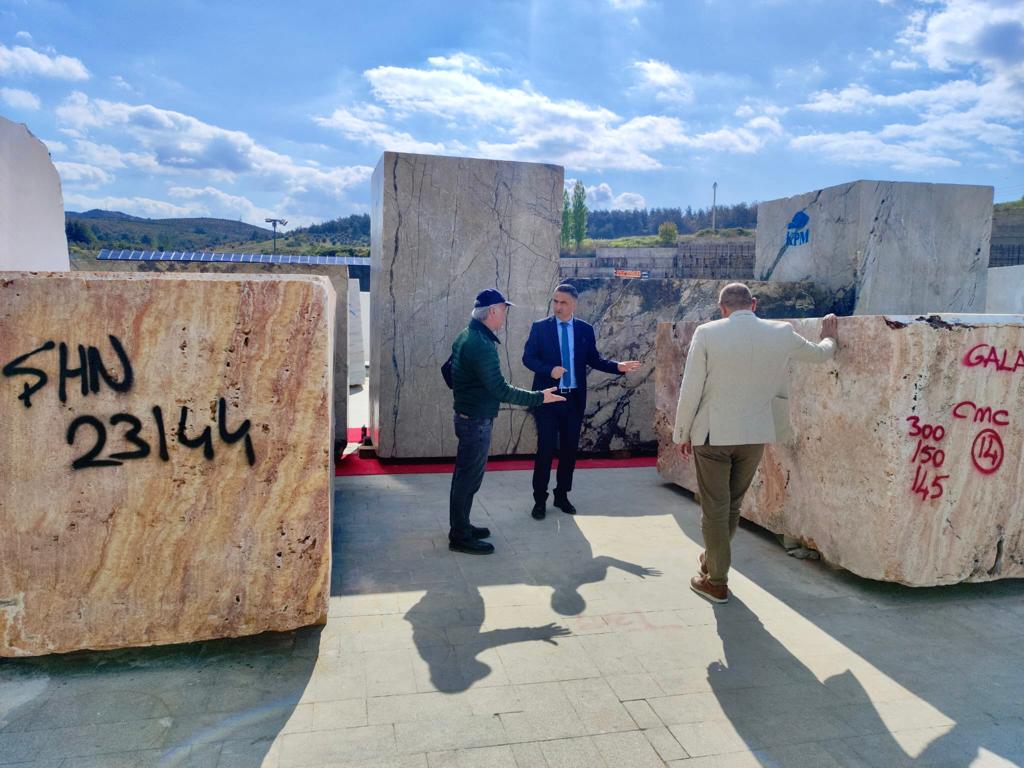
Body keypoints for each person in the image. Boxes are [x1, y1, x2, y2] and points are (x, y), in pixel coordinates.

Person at [673, 282, 838, 603]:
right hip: (754, 434)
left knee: (715, 509)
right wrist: (830, 335)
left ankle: (716, 580)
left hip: (712, 434)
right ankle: (711, 561)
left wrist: (681, 433)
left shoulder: (707, 333)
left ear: (722, 309)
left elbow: (690, 388)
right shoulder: (781, 332)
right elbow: (820, 355)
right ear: (754, 304)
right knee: (731, 505)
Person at [449, 288, 565, 555]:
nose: (504, 315)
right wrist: (539, 398)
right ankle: (459, 535)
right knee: (468, 479)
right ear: (491, 312)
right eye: (503, 309)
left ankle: (462, 525)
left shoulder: (469, 335)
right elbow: (500, 389)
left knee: (465, 477)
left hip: (469, 415)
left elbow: (453, 372)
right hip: (475, 420)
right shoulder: (480, 344)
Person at [522, 283, 640, 519]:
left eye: (562, 302)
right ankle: (539, 500)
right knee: (545, 450)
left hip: (573, 400)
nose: (557, 306)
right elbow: (528, 358)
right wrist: (549, 369)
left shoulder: (584, 330)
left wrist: (618, 367)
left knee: (568, 451)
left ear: (574, 304)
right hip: (547, 399)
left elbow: (594, 359)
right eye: (555, 301)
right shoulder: (540, 328)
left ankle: (562, 495)